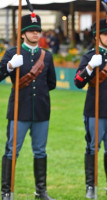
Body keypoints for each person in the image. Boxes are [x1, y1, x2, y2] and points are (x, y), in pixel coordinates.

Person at [0, 13, 56, 200]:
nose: (35, 33)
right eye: (31, 31)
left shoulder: (46, 56)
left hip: (41, 111)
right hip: (19, 110)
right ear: (22, 34)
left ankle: (41, 191)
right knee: (12, 150)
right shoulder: (12, 53)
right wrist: (9, 65)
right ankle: (6, 191)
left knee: (40, 150)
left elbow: (52, 83)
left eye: (37, 30)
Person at [74, 11, 107, 198]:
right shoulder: (89, 56)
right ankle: (91, 186)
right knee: (92, 148)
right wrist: (90, 67)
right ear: (97, 36)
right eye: (106, 34)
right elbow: (78, 81)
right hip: (94, 110)